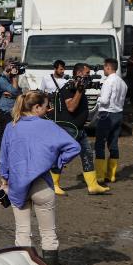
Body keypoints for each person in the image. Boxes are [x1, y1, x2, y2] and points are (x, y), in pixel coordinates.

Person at [0, 90, 82, 265]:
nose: (48, 110)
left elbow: (3, 159)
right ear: (36, 108)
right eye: (46, 107)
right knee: (48, 234)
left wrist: (4, 181)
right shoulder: (49, 126)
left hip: (17, 185)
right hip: (42, 186)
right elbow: (74, 147)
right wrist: (56, 162)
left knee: (22, 232)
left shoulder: (11, 126)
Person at [53, 63, 109, 195]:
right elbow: (71, 107)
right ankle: (53, 183)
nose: (89, 76)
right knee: (62, 156)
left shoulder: (79, 86)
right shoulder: (68, 88)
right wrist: (79, 91)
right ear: (79, 74)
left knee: (87, 154)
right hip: (68, 128)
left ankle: (92, 185)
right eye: (87, 73)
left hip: (79, 128)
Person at [94, 58, 128, 184]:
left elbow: (104, 101)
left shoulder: (109, 81)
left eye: (104, 67)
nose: (103, 70)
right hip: (118, 114)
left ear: (108, 67)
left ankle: (100, 175)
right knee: (113, 144)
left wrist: (99, 98)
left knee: (99, 144)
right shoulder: (122, 83)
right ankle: (111, 175)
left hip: (106, 114)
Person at [0, 62, 22, 164]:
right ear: (7, 68)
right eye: (12, 67)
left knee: (10, 135)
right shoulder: (1, 80)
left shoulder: (8, 79)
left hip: (10, 110)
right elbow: (15, 91)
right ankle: (0, 161)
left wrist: (13, 92)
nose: (14, 69)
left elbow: (19, 93)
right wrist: (15, 78)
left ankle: (7, 159)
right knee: (4, 135)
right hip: (4, 111)